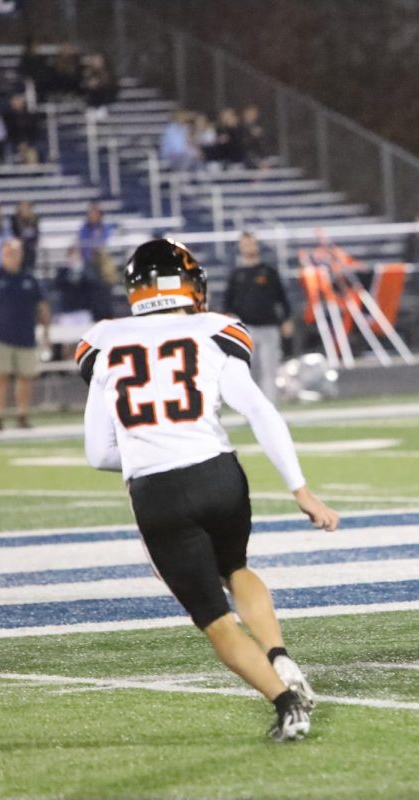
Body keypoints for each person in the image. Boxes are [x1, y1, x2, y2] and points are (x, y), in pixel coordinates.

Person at [75, 238, 337, 741]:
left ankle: (287, 705)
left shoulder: (103, 342)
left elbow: (98, 454)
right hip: (219, 474)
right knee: (235, 568)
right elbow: (261, 411)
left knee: (216, 621)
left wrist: (146, 452)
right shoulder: (212, 330)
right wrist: (300, 489)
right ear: (189, 284)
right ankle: (279, 655)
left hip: (158, 491)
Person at [0, 238, 51, 431]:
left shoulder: (29, 279)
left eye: (16, 253)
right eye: (8, 253)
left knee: (25, 377)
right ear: (2, 254)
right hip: (0, 336)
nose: (12, 257)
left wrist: (46, 331)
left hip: (25, 335)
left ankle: (22, 415)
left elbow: (42, 306)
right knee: (0, 377)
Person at [223, 233, 294, 399]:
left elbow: (282, 298)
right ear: (240, 247)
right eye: (245, 244)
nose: (249, 247)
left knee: (269, 370)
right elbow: (227, 304)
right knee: (249, 371)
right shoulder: (236, 275)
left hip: (268, 327)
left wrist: (286, 319)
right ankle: (253, 410)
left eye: (251, 244)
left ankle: (269, 410)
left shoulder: (268, 272)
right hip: (246, 329)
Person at [2, 94, 42, 164]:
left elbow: (34, 132)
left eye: (18, 101)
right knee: (22, 149)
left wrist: (28, 143)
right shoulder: (7, 117)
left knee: (31, 153)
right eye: (14, 101)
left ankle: (31, 170)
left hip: (29, 143)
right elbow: (8, 132)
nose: (16, 103)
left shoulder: (30, 116)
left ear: (23, 103)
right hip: (14, 143)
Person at [11, 201, 41, 272]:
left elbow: (36, 234)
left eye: (27, 206)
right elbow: (15, 234)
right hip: (19, 250)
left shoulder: (35, 219)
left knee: (29, 267)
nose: (25, 208)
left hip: (30, 249)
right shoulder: (14, 219)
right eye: (23, 206)